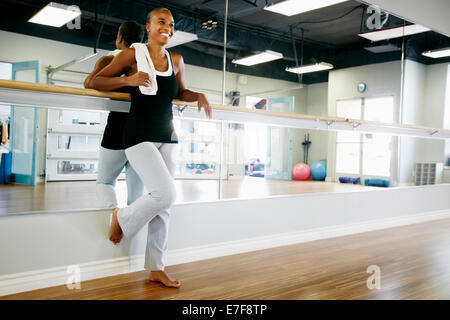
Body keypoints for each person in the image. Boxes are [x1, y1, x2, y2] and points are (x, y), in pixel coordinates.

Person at [90, 8, 212, 288]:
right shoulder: (131, 55)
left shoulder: (177, 59)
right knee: (165, 193)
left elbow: (180, 92)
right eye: (161, 22)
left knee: (165, 207)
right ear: (148, 26)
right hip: (138, 135)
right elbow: (95, 81)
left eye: (171, 24)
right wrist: (127, 80)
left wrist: (199, 95)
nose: (167, 27)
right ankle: (121, 217)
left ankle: (156, 267)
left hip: (167, 135)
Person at [84, 21, 144, 208]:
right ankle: (133, 232)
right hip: (142, 127)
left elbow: (89, 83)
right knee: (137, 192)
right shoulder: (147, 62)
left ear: (120, 37)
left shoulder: (109, 60)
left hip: (118, 125)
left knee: (105, 182)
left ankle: (114, 222)